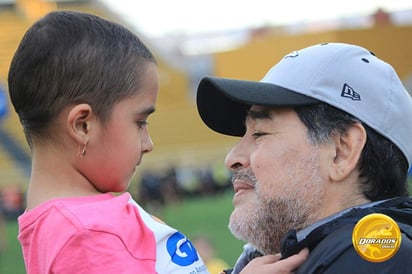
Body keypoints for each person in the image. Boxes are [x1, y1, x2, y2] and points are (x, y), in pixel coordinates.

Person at [8, 10, 308, 274]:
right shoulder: (86, 236)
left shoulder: (88, 224)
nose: (148, 143)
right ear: (83, 125)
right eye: (139, 122)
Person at [196, 42, 412, 273]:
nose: (232, 158)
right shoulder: (294, 257)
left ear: (341, 151)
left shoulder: (376, 257)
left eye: (259, 133)